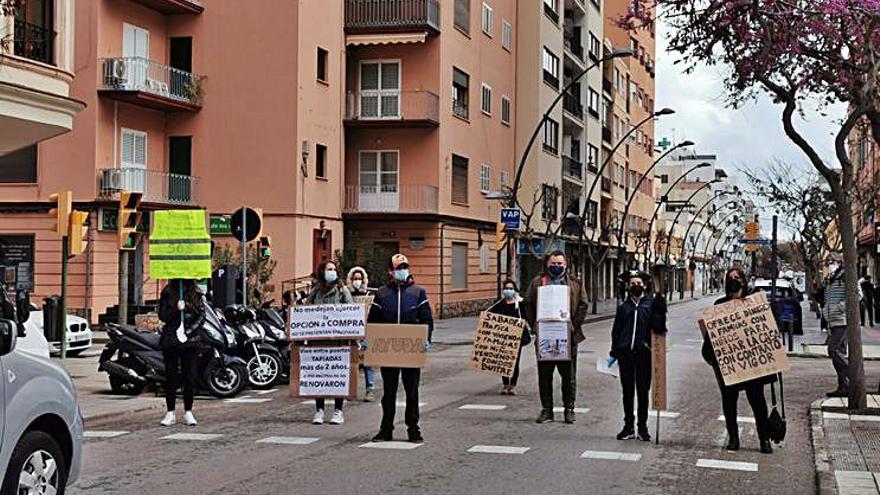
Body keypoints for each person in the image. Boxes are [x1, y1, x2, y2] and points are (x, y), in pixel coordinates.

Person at [702, 267, 774, 454]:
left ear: (744, 281)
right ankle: (733, 438)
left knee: (757, 402)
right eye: (730, 278)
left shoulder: (753, 304)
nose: (733, 280)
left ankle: (764, 439)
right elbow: (711, 338)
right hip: (728, 366)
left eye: (737, 277)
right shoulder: (719, 305)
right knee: (729, 401)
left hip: (751, 364)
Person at [369, 254, 434, 443]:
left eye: (405, 267)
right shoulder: (381, 294)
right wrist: (370, 341)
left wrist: (426, 338)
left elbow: (426, 319)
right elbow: (373, 321)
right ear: (390, 271)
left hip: (411, 351)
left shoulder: (417, 293)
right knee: (388, 393)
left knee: (411, 392)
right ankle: (385, 429)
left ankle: (413, 430)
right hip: (388, 351)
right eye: (398, 267)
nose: (402, 270)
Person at [525, 251, 589, 424]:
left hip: (568, 337)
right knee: (544, 376)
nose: (556, 266)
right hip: (545, 335)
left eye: (560, 263)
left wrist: (574, 325)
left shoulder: (575, 283)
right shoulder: (538, 282)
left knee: (568, 376)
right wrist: (534, 325)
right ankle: (547, 410)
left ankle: (569, 409)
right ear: (547, 264)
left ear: (565, 264)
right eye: (553, 263)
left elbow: (583, 304)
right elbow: (528, 303)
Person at [611, 271, 667, 442]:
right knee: (627, 392)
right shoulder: (623, 307)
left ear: (644, 285)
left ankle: (642, 427)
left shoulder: (650, 305)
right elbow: (616, 330)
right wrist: (615, 350)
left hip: (645, 356)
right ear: (628, 286)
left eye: (639, 283)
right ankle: (628, 426)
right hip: (626, 355)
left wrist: (660, 308)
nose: (636, 286)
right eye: (632, 283)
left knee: (643, 392)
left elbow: (659, 329)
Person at [305, 260, 354, 425]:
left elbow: (351, 313)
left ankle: (338, 411)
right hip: (318, 342)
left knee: (337, 375)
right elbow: (305, 312)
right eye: (329, 269)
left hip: (338, 343)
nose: (332, 272)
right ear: (322, 272)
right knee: (319, 375)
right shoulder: (315, 292)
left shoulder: (342, 291)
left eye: (334, 269)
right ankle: (319, 410)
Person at [158, 279, 205, 427]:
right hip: (171, 339)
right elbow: (162, 315)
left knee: (189, 377)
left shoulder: (196, 293)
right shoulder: (168, 291)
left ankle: (188, 411)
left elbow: (202, 316)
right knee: (170, 377)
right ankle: (170, 412)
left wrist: (189, 332)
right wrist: (175, 309)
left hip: (191, 341)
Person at [486, 279, 531, 396]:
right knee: (504, 362)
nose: (508, 291)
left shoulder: (520, 304)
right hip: (503, 338)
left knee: (515, 363)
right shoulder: (499, 304)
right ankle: (505, 385)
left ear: (515, 290)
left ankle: (513, 386)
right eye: (506, 288)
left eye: (511, 288)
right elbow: (490, 317)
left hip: (517, 338)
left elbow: (527, 316)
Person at [347, 266, 376, 402]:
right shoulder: (346, 295)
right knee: (350, 363)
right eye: (355, 279)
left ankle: (370, 390)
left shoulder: (369, 296)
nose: (357, 281)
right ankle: (349, 390)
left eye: (360, 278)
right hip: (350, 334)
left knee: (368, 363)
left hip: (366, 333)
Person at [823, 262, 849, 397]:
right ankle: (844, 387)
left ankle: (852, 373)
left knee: (832, 349)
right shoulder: (832, 276)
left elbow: (857, 295)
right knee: (839, 353)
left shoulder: (847, 274)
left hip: (841, 320)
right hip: (832, 320)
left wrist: (839, 308)